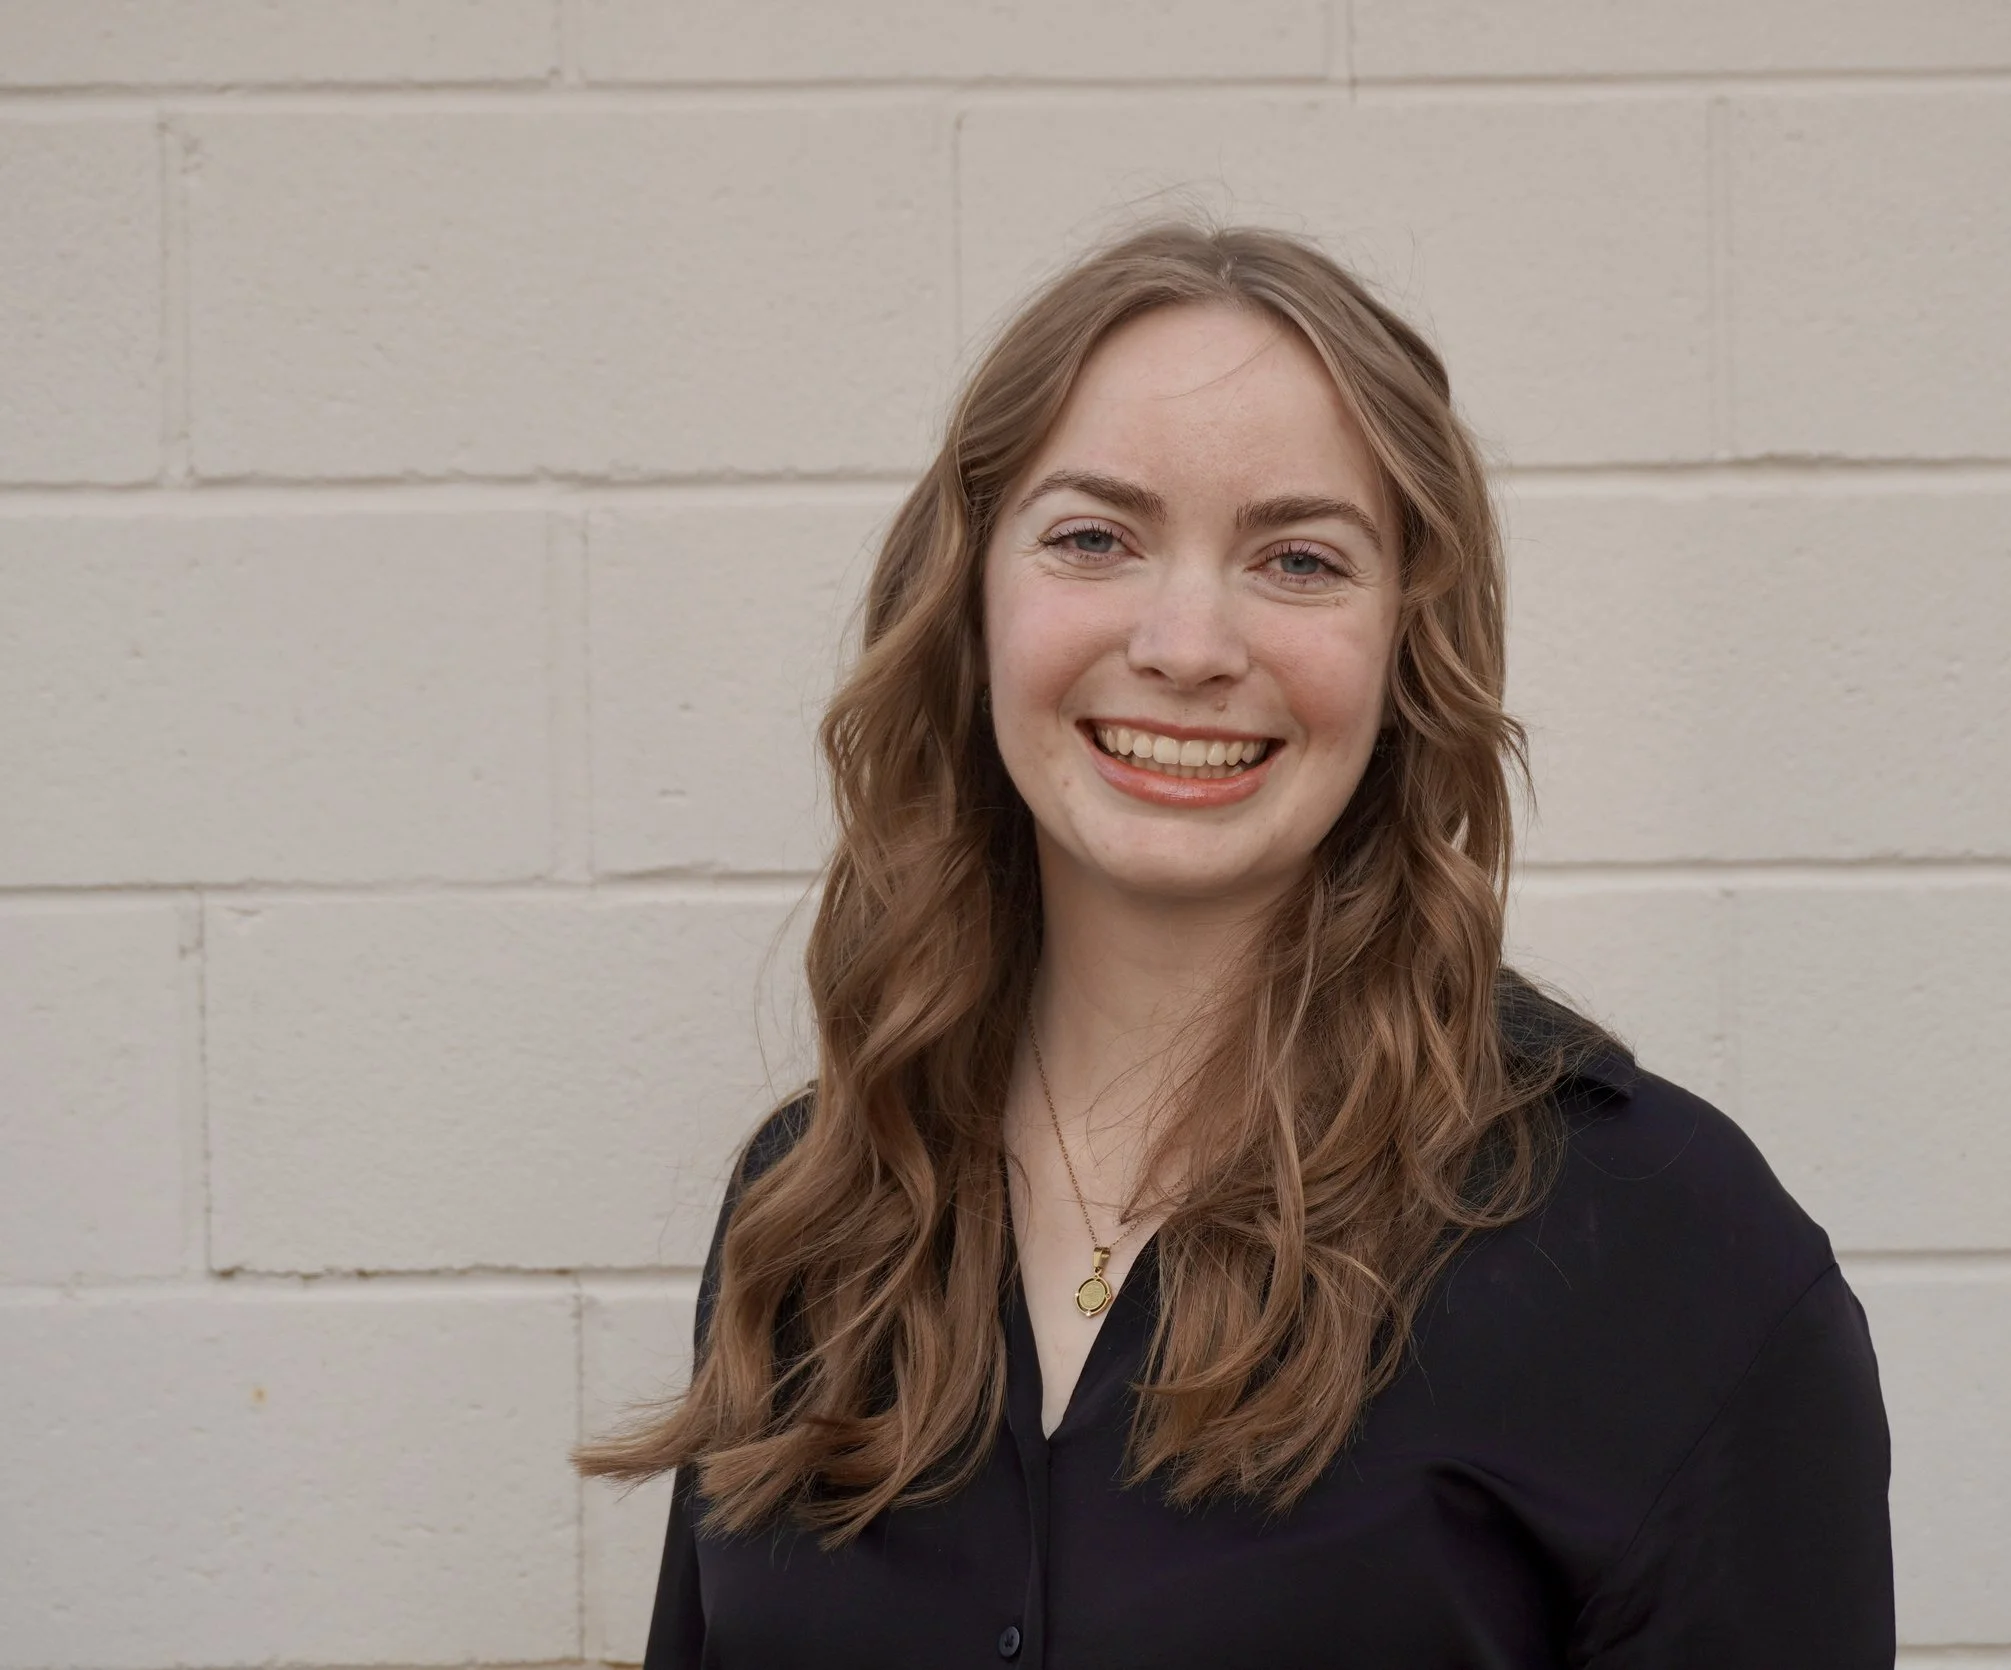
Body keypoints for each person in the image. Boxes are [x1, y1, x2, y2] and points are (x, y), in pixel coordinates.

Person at [578, 222, 1892, 1666]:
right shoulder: (819, 1205)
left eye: (1300, 558)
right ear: (967, 601)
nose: (1190, 641)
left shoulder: (1665, 1249)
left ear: (1409, 643)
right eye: (1094, 536)